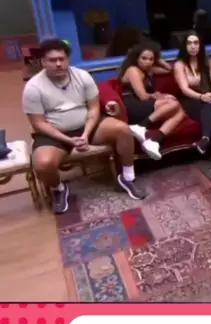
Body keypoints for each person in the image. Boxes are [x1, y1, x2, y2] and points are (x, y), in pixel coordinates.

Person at [22, 38, 145, 214]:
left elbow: (94, 108)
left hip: (87, 126)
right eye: (52, 60)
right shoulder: (33, 87)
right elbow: (38, 123)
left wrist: (86, 135)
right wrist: (69, 140)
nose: (58, 64)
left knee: (123, 130)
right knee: (43, 163)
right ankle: (59, 189)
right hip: (55, 134)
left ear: (68, 60)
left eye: (62, 59)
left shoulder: (82, 76)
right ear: (43, 62)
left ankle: (127, 177)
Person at [173, 32, 211, 174]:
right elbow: (184, 89)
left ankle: (205, 140)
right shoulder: (180, 65)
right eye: (189, 43)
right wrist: (202, 97)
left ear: (200, 45)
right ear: (184, 46)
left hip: (210, 98)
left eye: (196, 43)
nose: (193, 46)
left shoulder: (208, 61)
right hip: (191, 100)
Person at [119, 42, 185, 160]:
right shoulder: (133, 70)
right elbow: (143, 96)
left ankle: (154, 141)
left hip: (144, 104)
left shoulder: (149, 70)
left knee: (181, 112)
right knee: (174, 104)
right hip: (133, 105)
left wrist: (158, 58)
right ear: (136, 58)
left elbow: (169, 69)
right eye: (144, 58)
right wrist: (162, 97)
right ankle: (141, 125)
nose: (147, 62)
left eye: (151, 59)